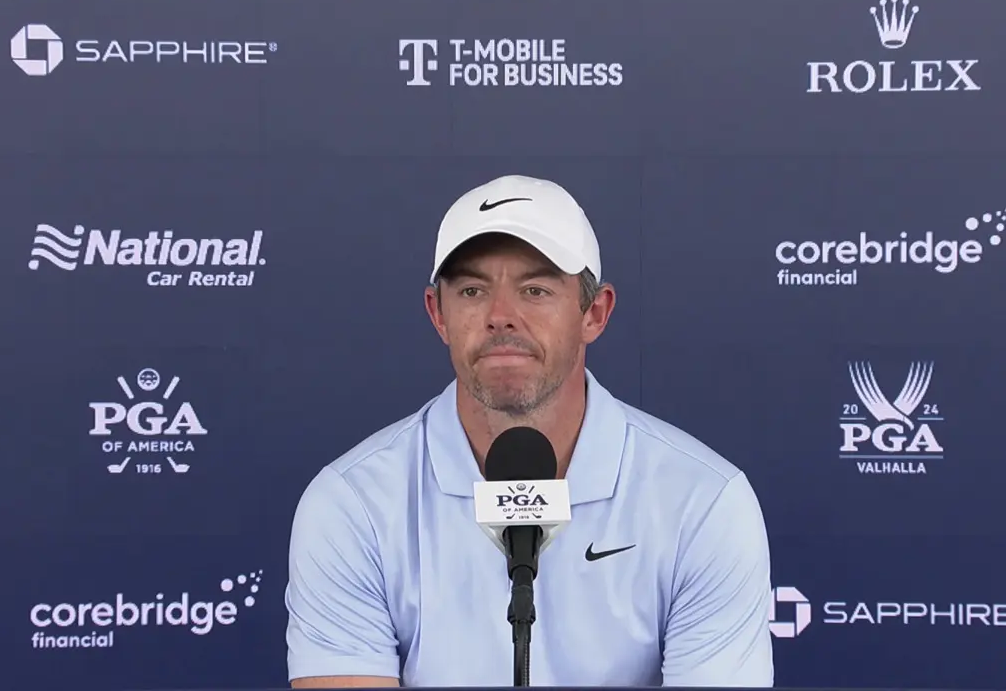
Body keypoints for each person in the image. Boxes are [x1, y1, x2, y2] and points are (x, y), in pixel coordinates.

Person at [285, 175, 774, 688]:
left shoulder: (703, 503)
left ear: (595, 313)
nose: (501, 316)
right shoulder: (352, 505)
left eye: (535, 290)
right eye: (472, 291)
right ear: (438, 314)